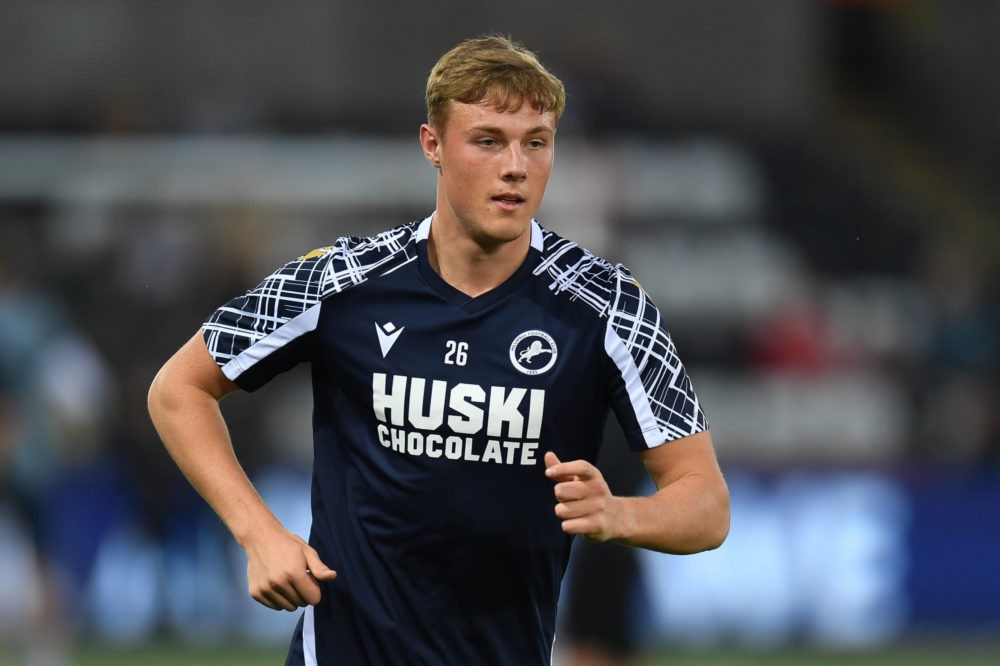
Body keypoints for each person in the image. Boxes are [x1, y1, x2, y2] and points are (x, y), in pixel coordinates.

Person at [147, 35, 729, 666]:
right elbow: (178, 389)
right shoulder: (342, 279)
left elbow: (707, 503)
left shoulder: (605, 304)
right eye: (488, 140)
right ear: (433, 146)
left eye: (536, 141)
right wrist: (258, 533)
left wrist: (618, 514)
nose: (516, 166)